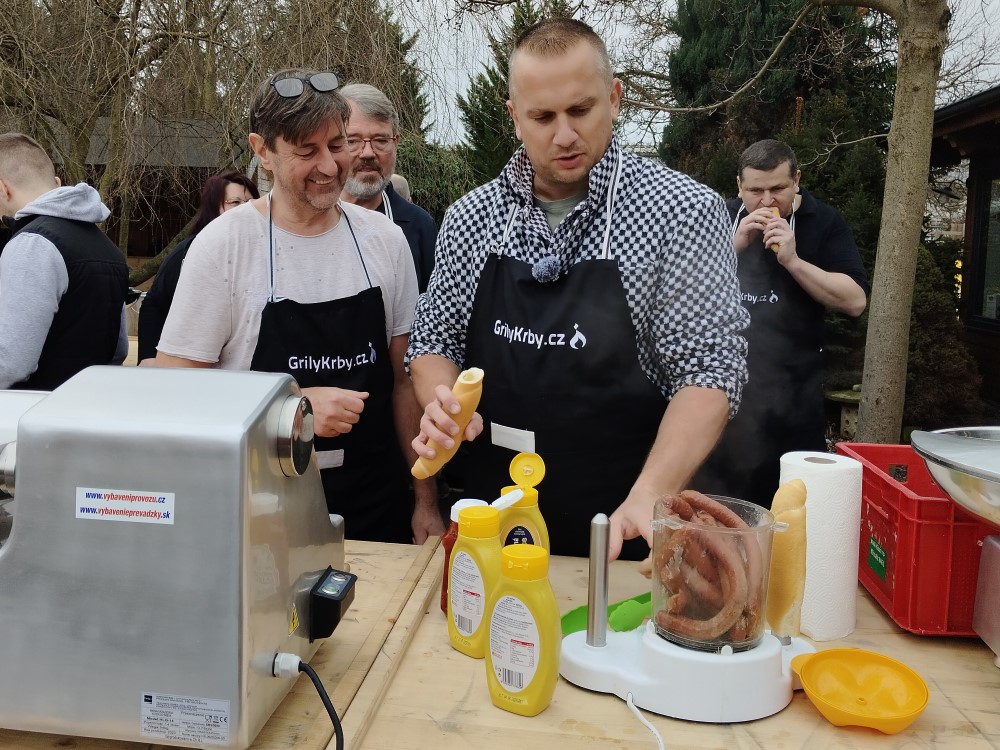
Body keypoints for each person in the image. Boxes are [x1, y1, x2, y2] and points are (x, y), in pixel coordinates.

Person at [407, 19, 748, 560]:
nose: (563, 134)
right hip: (490, 529)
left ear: (614, 99)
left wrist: (651, 493)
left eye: (580, 110)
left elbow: (709, 371)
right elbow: (433, 343)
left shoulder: (681, 211)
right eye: (542, 116)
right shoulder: (471, 217)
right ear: (515, 118)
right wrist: (442, 404)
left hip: (626, 526)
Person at [153, 69, 443, 545]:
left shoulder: (386, 243)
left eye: (336, 145)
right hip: (260, 512)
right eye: (306, 152)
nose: (329, 166)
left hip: (376, 505)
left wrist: (425, 502)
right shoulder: (225, 245)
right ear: (262, 151)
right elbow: (176, 392)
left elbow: (403, 382)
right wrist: (291, 410)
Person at [694, 139, 869, 509]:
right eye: (755, 191)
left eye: (778, 189)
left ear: (797, 181)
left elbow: (854, 301)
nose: (766, 201)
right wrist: (731, 248)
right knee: (718, 515)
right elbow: (676, 295)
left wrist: (793, 261)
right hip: (718, 397)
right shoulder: (717, 218)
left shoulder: (823, 222)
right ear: (739, 186)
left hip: (795, 397)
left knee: (793, 515)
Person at [0, 132, 129, 390]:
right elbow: (119, 349)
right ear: (56, 182)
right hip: (83, 409)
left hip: (30, 417)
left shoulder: (33, 244)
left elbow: (9, 363)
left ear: (3, 188)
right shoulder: (107, 248)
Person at [137, 170, 259, 362]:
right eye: (235, 202)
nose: (245, 209)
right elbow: (155, 302)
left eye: (250, 202)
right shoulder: (194, 250)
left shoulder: (262, 250)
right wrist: (149, 358)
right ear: (214, 207)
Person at [339, 83, 438, 292]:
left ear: (396, 143)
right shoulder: (310, 220)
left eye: (380, 140)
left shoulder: (419, 227)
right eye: (353, 141)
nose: (367, 153)